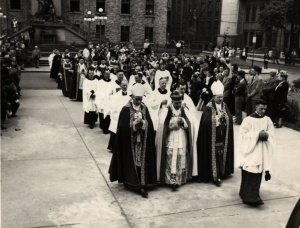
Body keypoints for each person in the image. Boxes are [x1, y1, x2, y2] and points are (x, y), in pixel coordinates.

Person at [109, 84, 157, 198]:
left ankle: (142, 181)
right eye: (137, 99)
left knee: (141, 160)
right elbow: (122, 127)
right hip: (130, 143)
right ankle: (131, 181)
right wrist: (133, 125)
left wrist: (144, 124)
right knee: (133, 161)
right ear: (132, 97)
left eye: (141, 99)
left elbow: (150, 124)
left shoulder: (144, 108)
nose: (139, 102)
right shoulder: (126, 109)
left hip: (142, 141)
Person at [155, 91, 198, 191]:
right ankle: (170, 180)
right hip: (171, 137)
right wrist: (174, 122)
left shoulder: (184, 109)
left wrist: (182, 121)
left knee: (180, 155)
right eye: (176, 103)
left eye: (179, 102)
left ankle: (180, 179)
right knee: (170, 155)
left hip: (181, 137)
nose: (178, 105)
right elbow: (162, 123)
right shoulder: (166, 110)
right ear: (172, 102)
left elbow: (190, 122)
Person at [197, 80, 234, 186]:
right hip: (212, 137)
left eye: (222, 97)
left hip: (223, 136)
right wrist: (217, 118)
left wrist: (225, 118)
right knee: (213, 155)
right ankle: (214, 175)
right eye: (218, 97)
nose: (221, 99)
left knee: (222, 153)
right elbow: (206, 121)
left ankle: (222, 172)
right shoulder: (208, 107)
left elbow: (229, 118)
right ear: (213, 97)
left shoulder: (224, 105)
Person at [238, 99, 275, 206]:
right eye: (261, 108)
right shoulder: (248, 120)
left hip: (261, 150)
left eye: (265, 109)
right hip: (251, 150)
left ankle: (252, 196)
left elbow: (271, 133)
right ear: (256, 107)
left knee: (257, 173)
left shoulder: (267, 120)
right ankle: (249, 197)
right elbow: (242, 135)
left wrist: (266, 135)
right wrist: (257, 135)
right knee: (250, 171)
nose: (263, 111)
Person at [107, 79, 131, 151]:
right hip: (118, 114)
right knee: (116, 128)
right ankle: (114, 147)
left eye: (126, 85)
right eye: (123, 85)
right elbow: (114, 106)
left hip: (127, 115)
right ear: (120, 86)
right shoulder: (116, 95)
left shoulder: (130, 94)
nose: (125, 87)